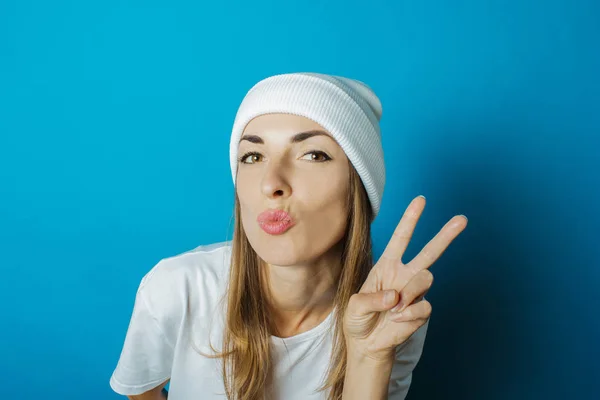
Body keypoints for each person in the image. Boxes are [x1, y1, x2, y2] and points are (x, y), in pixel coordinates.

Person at [109, 72, 468, 400]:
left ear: (358, 187)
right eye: (252, 156)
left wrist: (369, 358)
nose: (271, 183)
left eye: (313, 154)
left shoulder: (389, 311)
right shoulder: (176, 287)